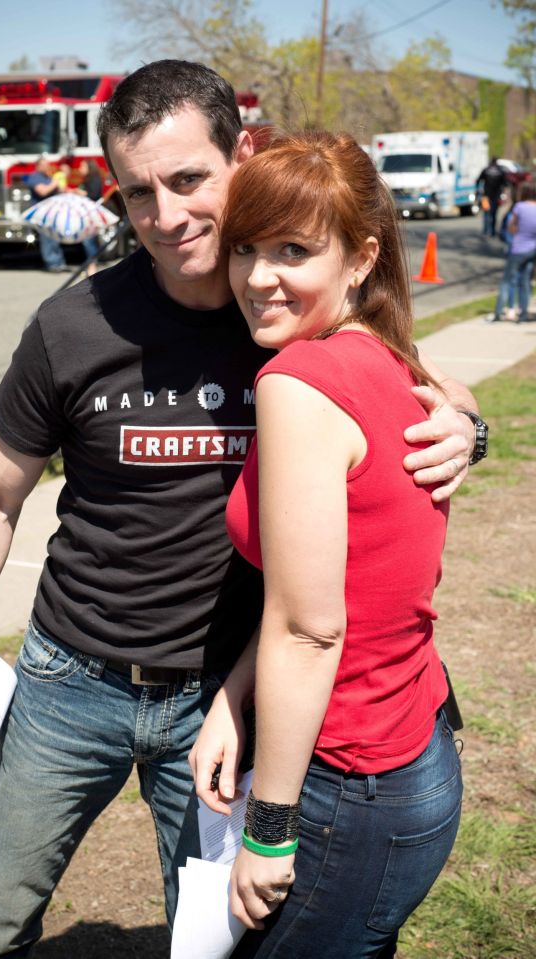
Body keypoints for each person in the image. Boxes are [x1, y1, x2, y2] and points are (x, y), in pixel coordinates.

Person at [0, 61, 480, 959]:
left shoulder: (294, 310)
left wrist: (465, 425)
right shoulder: (73, 323)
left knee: (215, 935)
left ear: (242, 153)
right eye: (137, 193)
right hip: (69, 679)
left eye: (188, 180)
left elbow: (406, 375)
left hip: (223, 693)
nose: (166, 217)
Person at [190, 131, 471, 958]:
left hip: (350, 781)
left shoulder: (297, 384)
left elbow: (311, 630)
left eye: (293, 250)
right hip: (414, 752)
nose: (258, 277)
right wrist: (234, 698)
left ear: (360, 258)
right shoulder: (389, 357)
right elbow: (326, 591)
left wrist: (270, 828)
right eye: (244, 249)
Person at [490, 180, 536, 323]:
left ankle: (498, 312)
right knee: (525, 282)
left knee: (507, 281)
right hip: (532, 249)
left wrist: (517, 230)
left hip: (518, 249)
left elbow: (511, 227)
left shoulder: (519, 207)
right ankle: (522, 314)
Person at [26, 154, 68, 273]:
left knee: (55, 238)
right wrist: (55, 182)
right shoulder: (35, 177)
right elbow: (43, 191)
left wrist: (63, 177)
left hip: (53, 213)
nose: (47, 167)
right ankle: (52, 264)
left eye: (48, 164)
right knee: (47, 239)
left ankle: (60, 263)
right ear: (38, 166)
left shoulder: (48, 177)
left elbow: (60, 190)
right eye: (44, 165)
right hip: (42, 214)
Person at [76, 158, 105, 273]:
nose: (79, 169)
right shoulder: (87, 179)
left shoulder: (94, 179)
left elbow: (94, 194)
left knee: (89, 240)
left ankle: (92, 265)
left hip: (91, 214)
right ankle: (91, 264)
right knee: (88, 240)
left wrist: (80, 193)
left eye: (82, 166)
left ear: (89, 167)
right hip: (86, 213)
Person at [477, 157, 508, 238]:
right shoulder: (500, 171)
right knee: (494, 214)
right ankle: (493, 231)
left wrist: (478, 191)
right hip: (496, 197)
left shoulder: (486, 170)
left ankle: (485, 231)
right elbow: (505, 183)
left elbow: (478, 180)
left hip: (485, 196)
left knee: (486, 214)